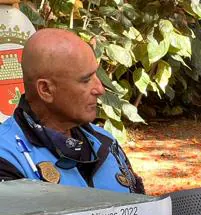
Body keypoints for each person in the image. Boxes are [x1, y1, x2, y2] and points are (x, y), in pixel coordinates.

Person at [0, 28, 144, 193]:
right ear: (46, 90)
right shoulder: (6, 158)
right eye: (86, 80)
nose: (100, 89)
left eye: (96, 75)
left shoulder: (105, 142)